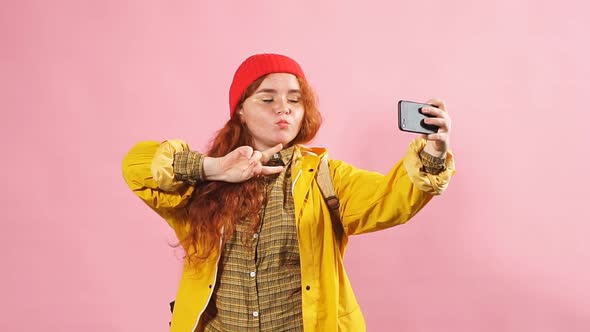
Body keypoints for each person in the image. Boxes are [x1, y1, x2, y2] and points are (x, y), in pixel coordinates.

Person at [122, 53, 455, 332]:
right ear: (240, 109)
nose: (283, 108)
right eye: (267, 98)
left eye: (295, 100)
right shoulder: (202, 180)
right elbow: (136, 167)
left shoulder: (327, 176)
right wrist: (215, 169)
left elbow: (390, 199)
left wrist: (434, 153)